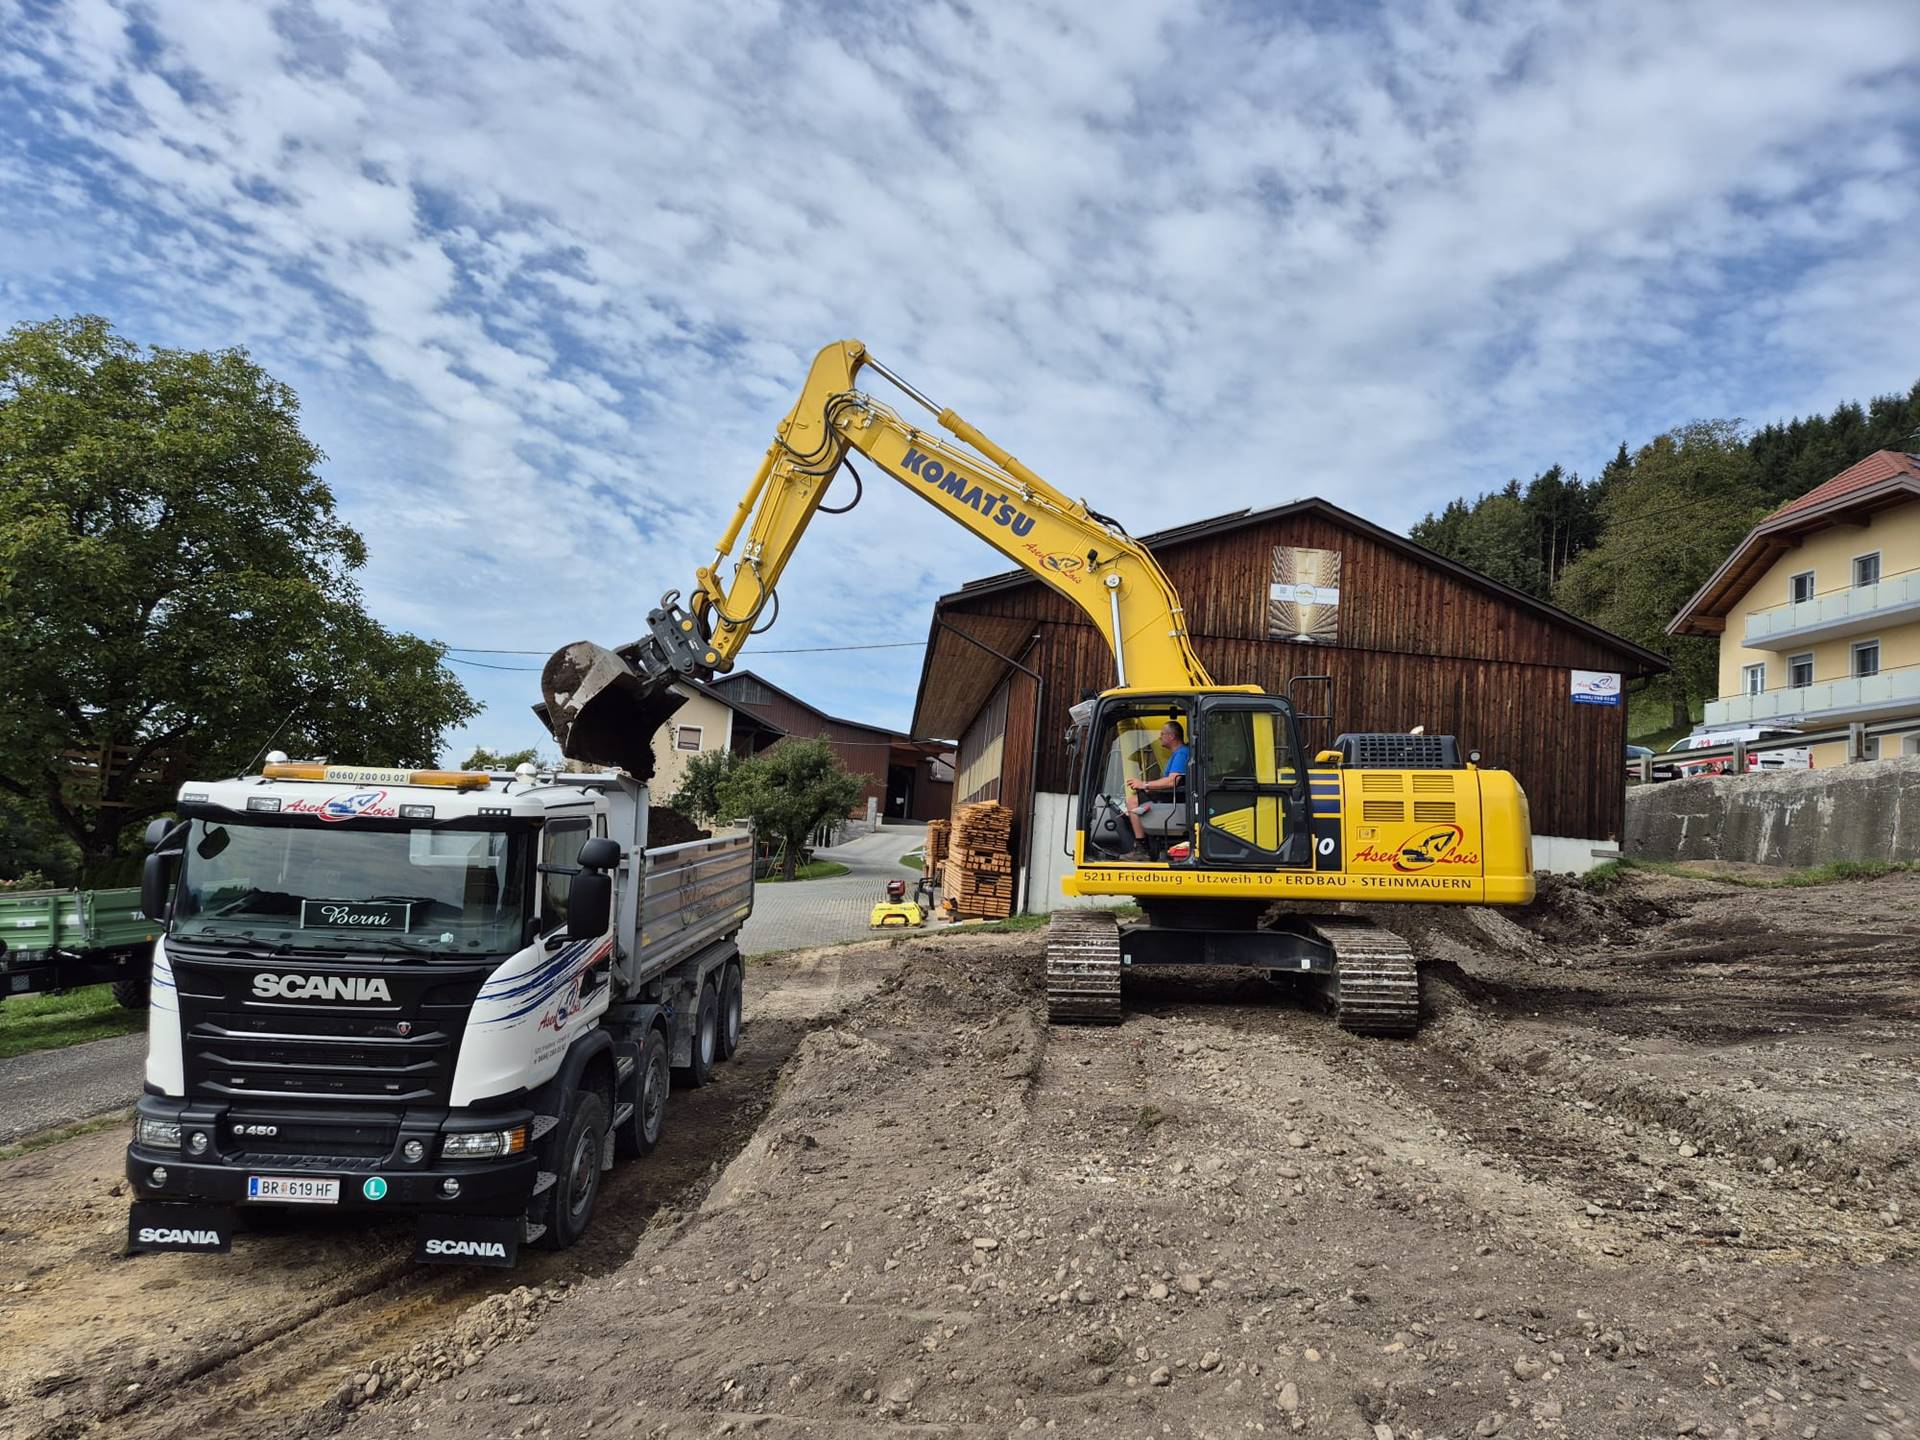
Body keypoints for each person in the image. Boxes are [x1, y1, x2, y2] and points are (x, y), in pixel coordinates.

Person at [1118, 720, 1188, 862]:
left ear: (1172, 737)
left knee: (1133, 801)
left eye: (1162, 734)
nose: (1159, 737)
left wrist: (1144, 785)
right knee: (1136, 804)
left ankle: (1141, 848)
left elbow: (1172, 781)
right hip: (1172, 797)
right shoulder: (1179, 753)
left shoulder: (1181, 754)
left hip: (1175, 800)